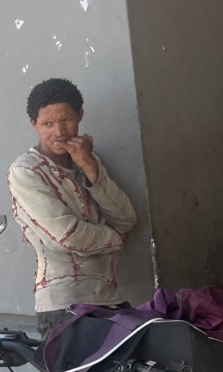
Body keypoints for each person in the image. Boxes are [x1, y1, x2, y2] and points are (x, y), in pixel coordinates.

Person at [7, 77, 136, 339]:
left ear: (80, 115)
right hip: (64, 307)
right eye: (47, 124)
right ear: (33, 124)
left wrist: (89, 167)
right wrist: (114, 238)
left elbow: (127, 220)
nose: (59, 132)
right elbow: (66, 236)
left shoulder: (87, 159)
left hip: (110, 299)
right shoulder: (26, 171)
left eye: (66, 119)